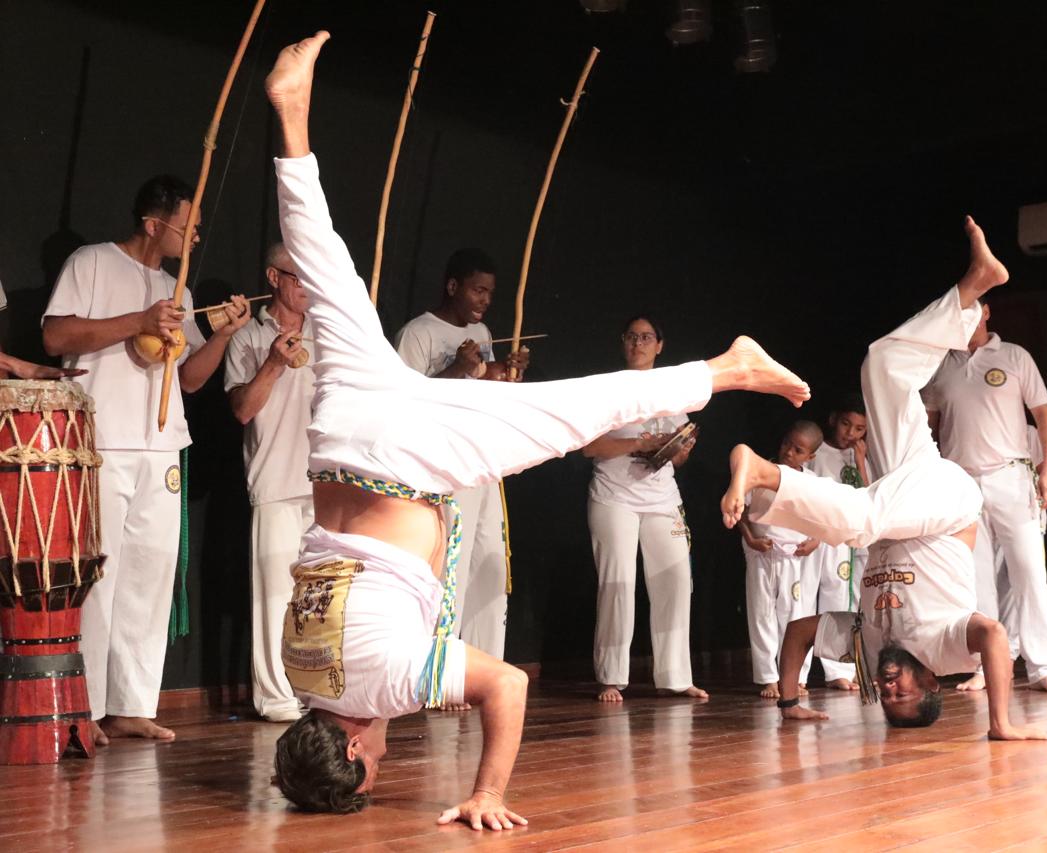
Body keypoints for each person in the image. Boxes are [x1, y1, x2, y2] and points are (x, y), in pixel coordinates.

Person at [262, 31, 809, 829]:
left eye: (371, 767)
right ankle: (292, 120)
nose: (381, 757)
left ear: (347, 750)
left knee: (562, 415)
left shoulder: (386, 686)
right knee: (323, 263)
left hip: (411, 458)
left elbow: (507, 685)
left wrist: (487, 791)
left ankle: (725, 368)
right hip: (342, 438)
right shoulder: (300, 670)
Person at [720, 216, 1047, 740]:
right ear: (932, 685)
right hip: (945, 503)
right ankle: (764, 473)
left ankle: (974, 287)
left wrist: (789, 702)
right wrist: (1000, 723)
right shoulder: (945, 652)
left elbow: (802, 630)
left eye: (887, 701)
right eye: (907, 697)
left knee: (881, 366)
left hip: (905, 490)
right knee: (864, 521)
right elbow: (992, 632)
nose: (892, 690)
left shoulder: (869, 645)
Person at [42, 175, 251, 745]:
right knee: (101, 577)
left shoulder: (174, 289)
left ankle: (131, 704)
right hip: (102, 439)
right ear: (155, 223)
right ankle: (83, 704)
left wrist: (223, 335)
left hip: (161, 446)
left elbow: (184, 380)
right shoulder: (93, 262)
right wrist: (137, 321)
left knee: (150, 576)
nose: (198, 233)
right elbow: (57, 337)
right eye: (191, 222)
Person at [922, 298, 1047, 694]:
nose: (966, 316)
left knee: (1029, 574)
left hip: (1011, 476)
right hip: (961, 483)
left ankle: (1042, 667)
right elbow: (930, 430)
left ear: (986, 311)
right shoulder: (942, 365)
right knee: (975, 580)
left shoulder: (1014, 356)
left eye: (973, 308)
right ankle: (989, 667)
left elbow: (1044, 417)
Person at [395, 248, 528, 669]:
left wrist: (508, 372)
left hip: (483, 460)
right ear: (453, 286)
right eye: (477, 290)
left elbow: (485, 393)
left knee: (488, 564)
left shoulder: (485, 333)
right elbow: (404, 403)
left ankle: (484, 667)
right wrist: (455, 369)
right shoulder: (419, 333)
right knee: (451, 565)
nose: (485, 300)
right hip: (445, 464)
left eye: (489, 292)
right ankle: (442, 667)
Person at [581, 315, 706, 703]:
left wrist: (679, 450)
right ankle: (612, 676)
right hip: (614, 495)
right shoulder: (609, 389)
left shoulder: (670, 392)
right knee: (618, 583)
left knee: (675, 581)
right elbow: (589, 448)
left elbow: (677, 455)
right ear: (623, 342)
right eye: (632, 337)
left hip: (662, 498)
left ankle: (675, 675)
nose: (638, 343)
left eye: (646, 337)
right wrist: (638, 445)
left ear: (660, 345)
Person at [225, 243, 314, 722]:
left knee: (319, 598)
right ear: (273, 277)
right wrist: (275, 364)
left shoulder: (328, 330)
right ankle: (276, 697)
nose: (306, 288)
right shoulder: (249, 337)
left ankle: (317, 691)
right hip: (275, 478)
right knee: (275, 596)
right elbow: (242, 409)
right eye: (297, 277)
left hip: (325, 481)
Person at [739, 421, 823, 698]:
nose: (789, 452)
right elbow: (741, 509)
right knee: (762, 614)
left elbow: (821, 518)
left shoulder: (810, 482)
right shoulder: (763, 471)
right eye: (788, 444)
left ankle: (796, 677)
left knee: (795, 617)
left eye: (798, 450)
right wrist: (750, 538)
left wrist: (816, 540)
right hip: (762, 552)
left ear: (809, 457)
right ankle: (768, 677)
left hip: (793, 557)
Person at [807, 394, 871, 690]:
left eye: (859, 429)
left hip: (849, 535)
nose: (850, 434)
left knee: (848, 598)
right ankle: (808, 670)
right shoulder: (815, 450)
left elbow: (869, 493)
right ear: (833, 419)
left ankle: (841, 669)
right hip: (818, 532)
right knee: (814, 598)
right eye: (846, 424)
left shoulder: (860, 454)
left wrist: (860, 460)